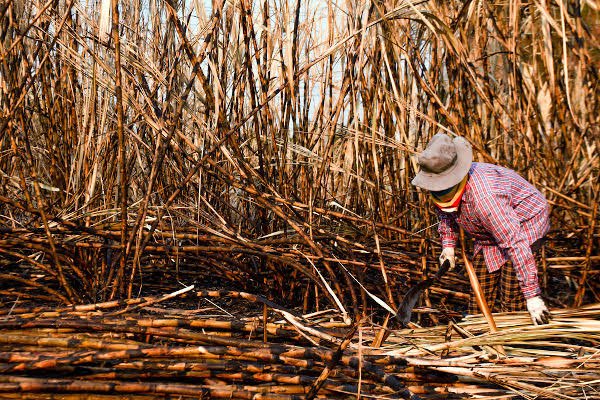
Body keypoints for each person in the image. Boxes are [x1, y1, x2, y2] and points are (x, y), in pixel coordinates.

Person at [411, 133, 552, 325]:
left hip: (524, 224)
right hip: (489, 233)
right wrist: (448, 246)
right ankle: (478, 331)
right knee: (479, 295)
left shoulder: (486, 199)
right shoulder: (441, 185)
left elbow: (515, 243)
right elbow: (445, 213)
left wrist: (532, 295)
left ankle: (513, 333)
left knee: (511, 296)